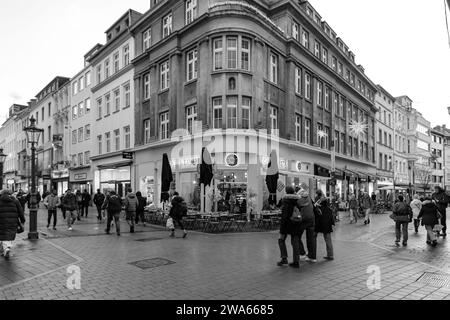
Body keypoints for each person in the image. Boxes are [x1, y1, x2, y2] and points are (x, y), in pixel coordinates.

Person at [277, 186, 302, 268]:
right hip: (295, 224)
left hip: (286, 224)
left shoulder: (286, 201)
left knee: (281, 240)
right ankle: (296, 261)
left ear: (286, 192)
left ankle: (284, 259)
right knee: (295, 242)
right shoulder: (297, 200)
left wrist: (282, 228)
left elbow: (285, 215)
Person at [0, 190, 26, 259]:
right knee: (9, 234)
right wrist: (23, 220)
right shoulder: (15, 200)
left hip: (1, 222)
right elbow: (20, 211)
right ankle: (7, 248)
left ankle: (5, 248)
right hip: (13, 222)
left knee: (2, 235)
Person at [297, 184, 317, 263]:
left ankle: (302, 253)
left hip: (302, 220)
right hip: (311, 219)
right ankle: (312, 257)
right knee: (311, 238)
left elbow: (296, 210)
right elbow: (314, 206)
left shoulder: (298, 198)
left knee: (296, 236)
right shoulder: (309, 197)